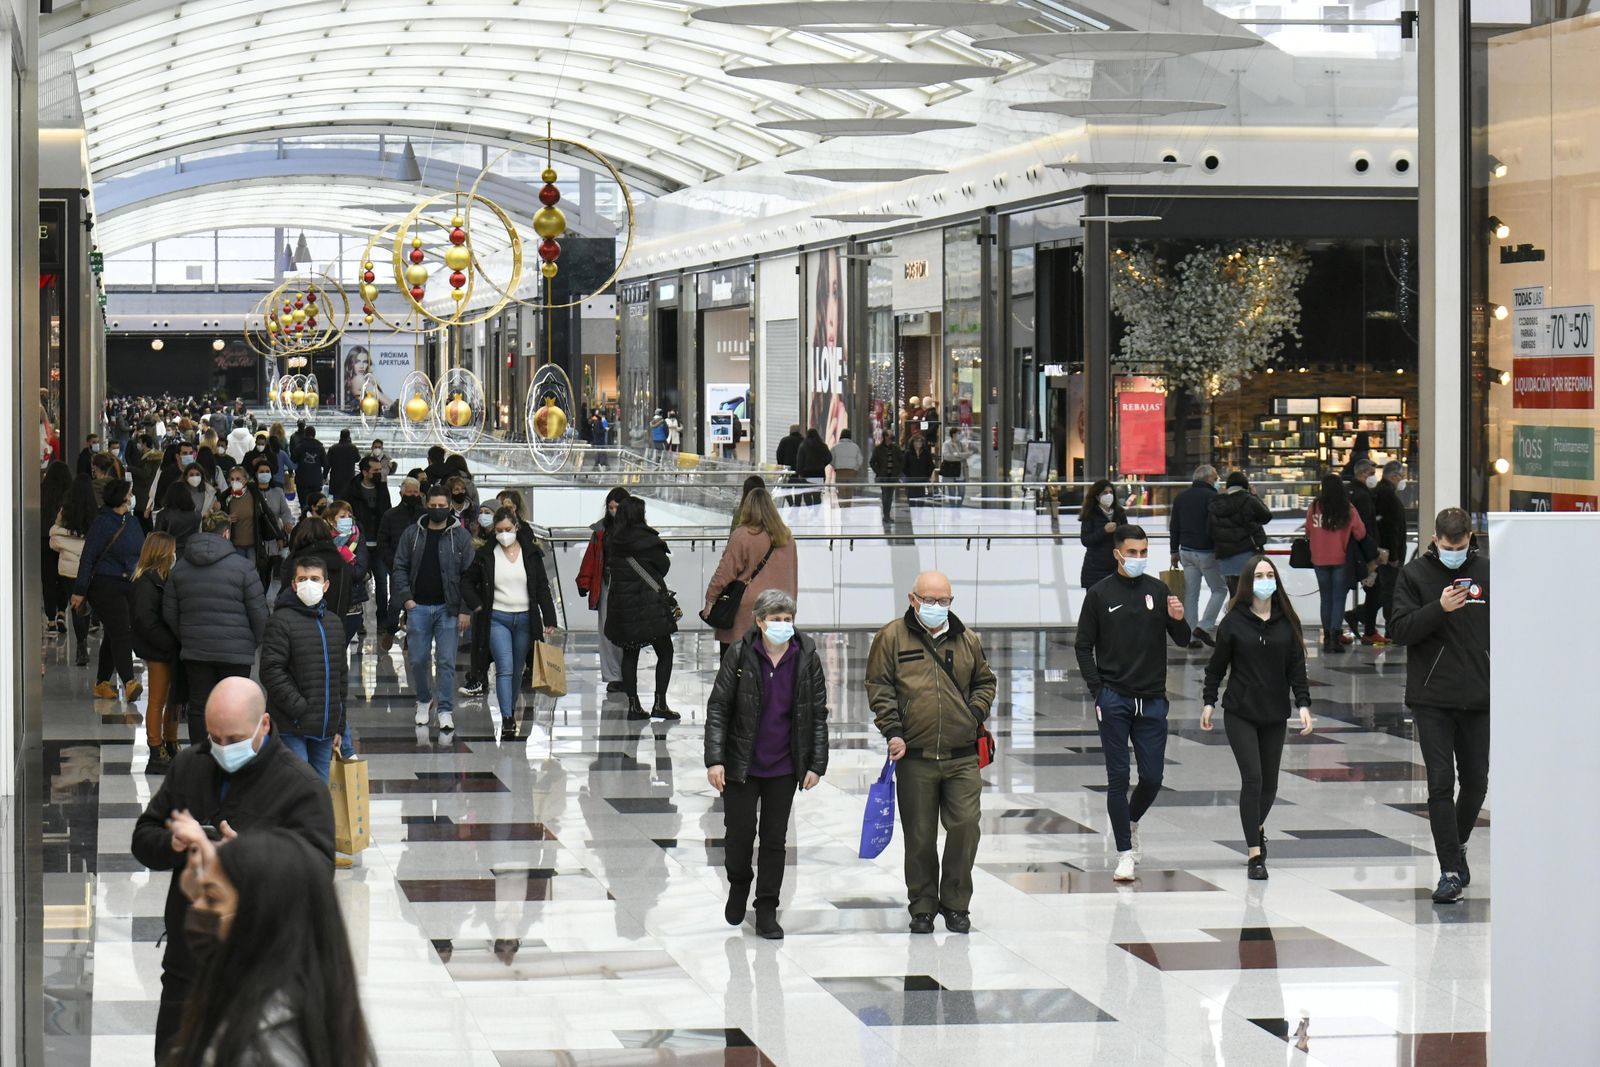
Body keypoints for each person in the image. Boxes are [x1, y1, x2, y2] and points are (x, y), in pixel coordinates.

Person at [129, 677, 335, 1062]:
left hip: (262, 971)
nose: (222, 748)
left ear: (265, 725)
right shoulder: (191, 764)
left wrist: (250, 858)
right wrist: (172, 844)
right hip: (189, 960)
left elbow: (318, 874)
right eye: (214, 737)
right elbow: (143, 837)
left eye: (233, 739)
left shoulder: (301, 787)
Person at [167, 827, 376, 1067]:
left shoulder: (264, 1047)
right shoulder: (316, 1007)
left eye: (212, 899)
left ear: (262, 916)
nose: (197, 909)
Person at [865, 570, 997, 934]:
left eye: (944, 601)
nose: (937, 607)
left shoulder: (967, 639)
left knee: (966, 827)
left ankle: (955, 903)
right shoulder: (891, 637)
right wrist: (892, 730)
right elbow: (879, 687)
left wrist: (973, 714)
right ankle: (922, 905)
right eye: (930, 600)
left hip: (961, 756)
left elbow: (986, 681)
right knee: (920, 837)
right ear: (913, 599)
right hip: (915, 756)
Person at [705, 589, 829, 939]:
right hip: (742, 763)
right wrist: (715, 760)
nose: (783, 625)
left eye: (787, 619)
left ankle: (767, 908)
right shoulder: (741, 655)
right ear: (759, 621)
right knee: (739, 835)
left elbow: (817, 713)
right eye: (775, 619)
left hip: (785, 765)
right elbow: (718, 708)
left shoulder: (806, 657)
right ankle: (739, 883)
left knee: (775, 840)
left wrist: (815, 764)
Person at [1074, 525, 1191, 882]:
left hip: (1152, 699)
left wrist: (1179, 618)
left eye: (1144, 552)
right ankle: (1124, 852)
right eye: (1133, 552)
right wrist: (1099, 690)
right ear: (1117, 554)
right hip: (1115, 699)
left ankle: (1130, 820)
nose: (1139, 558)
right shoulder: (1099, 594)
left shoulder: (1159, 590)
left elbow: (1184, 640)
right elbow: (1082, 646)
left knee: (1153, 777)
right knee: (1118, 778)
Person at [1388, 507, 1489, 905]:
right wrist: (1439, 608)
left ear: (1470, 539)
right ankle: (1449, 869)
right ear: (1434, 539)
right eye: (1448, 547)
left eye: (1460, 547)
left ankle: (1457, 843)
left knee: (1477, 782)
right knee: (1440, 783)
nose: (1454, 553)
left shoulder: (1488, 571)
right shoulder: (1414, 575)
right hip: (1431, 697)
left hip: (1480, 695)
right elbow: (1398, 630)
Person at [1201, 555, 1313, 880]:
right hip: (1240, 711)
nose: (1266, 580)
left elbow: (1296, 668)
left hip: (1274, 713)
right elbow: (1216, 667)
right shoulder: (1233, 623)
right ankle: (1254, 854)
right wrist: (1209, 702)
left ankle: (1256, 826)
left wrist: (1303, 704)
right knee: (1253, 779)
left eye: (1270, 574)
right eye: (1259, 575)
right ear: (1249, 583)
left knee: (1270, 784)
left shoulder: (1286, 622)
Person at [165, 509, 269, 744]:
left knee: (199, 705)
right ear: (226, 533)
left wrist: (187, 636)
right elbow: (259, 613)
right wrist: (253, 642)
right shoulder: (243, 568)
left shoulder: (180, 567)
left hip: (195, 650)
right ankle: (232, 754)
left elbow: (170, 611)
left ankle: (202, 758)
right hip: (236, 653)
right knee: (235, 705)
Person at [463, 508, 559, 739]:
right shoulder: (486, 554)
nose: (504, 534)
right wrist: (477, 605)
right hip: (497, 618)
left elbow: (542, 588)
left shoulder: (531, 554)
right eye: (498, 531)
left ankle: (511, 708)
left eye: (507, 530)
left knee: (517, 669)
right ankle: (507, 717)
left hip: (526, 619)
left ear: (516, 527)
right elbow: (466, 581)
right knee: (504, 667)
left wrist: (550, 618)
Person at [393, 484, 475, 731]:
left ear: (450, 506)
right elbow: (399, 566)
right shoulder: (412, 534)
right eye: (433, 506)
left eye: (442, 506)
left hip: (448, 609)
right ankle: (424, 699)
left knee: (446, 660)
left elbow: (469, 575)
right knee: (417, 659)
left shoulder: (460, 536)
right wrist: (407, 599)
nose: (437, 510)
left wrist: (464, 609)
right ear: (426, 504)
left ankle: (446, 709)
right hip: (418, 606)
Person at [261, 556, 348, 782]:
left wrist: (339, 724)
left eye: (315, 579)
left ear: (326, 585)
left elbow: (341, 676)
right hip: (292, 725)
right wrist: (299, 707)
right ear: (294, 584)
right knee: (299, 787)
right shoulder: (281, 621)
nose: (309, 583)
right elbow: (271, 670)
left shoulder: (334, 623)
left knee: (319, 791)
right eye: (303, 578)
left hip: (325, 728)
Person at [603, 496, 679, 721]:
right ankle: (660, 703)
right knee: (665, 652)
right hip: (650, 607)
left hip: (624, 607)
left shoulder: (613, 541)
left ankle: (634, 706)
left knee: (630, 653)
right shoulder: (647, 539)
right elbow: (663, 566)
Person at [72, 479, 146, 702]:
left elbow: (141, 551)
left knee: (115, 632)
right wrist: (79, 589)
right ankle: (129, 681)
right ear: (123, 497)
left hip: (128, 584)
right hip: (105, 584)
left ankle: (102, 683)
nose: (133, 496)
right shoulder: (102, 522)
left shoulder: (131, 521)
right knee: (122, 629)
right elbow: (88, 557)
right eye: (130, 493)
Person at [704, 488, 798, 656]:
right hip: (779, 610)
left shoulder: (743, 535)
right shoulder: (787, 538)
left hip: (748, 612)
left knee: (734, 666)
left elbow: (725, 572)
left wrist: (710, 598)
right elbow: (793, 577)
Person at [132, 532, 185, 772]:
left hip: (170, 648)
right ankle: (155, 747)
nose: (175, 555)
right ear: (162, 552)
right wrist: (170, 643)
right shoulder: (145, 582)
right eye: (172, 550)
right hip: (159, 650)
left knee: (174, 700)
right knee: (158, 700)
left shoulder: (165, 578)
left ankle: (171, 742)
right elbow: (145, 620)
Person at [1304, 475, 1367, 654]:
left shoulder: (1314, 507)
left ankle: (1326, 638)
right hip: (1341, 559)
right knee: (1339, 598)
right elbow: (1361, 532)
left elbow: (1308, 530)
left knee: (1326, 598)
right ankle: (1334, 637)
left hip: (1319, 559)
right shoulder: (1347, 508)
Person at [575, 487, 629, 694]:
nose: (614, 511)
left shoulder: (634, 529)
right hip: (606, 583)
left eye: (618, 507)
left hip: (627, 585)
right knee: (607, 631)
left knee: (627, 630)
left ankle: (626, 672)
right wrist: (584, 582)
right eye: (611, 507)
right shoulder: (600, 531)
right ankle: (614, 675)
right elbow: (592, 558)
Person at [1169, 464, 1225, 648]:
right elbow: (1218, 526)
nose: (1217, 481)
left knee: (1191, 594)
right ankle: (1204, 626)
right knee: (1219, 589)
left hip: (1185, 551)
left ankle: (1191, 636)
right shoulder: (1213, 497)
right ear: (1209, 479)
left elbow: (1174, 525)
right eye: (1216, 478)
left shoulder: (1181, 497)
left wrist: (1173, 551)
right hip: (1207, 552)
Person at [50, 473, 97, 666]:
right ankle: (87, 635)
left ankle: (80, 644)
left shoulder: (65, 510)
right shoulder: (95, 511)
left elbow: (54, 539)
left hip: (69, 567)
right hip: (89, 566)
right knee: (87, 604)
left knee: (76, 605)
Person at [1361, 461, 1408, 645]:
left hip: (1380, 553)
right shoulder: (1388, 496)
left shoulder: (1378, 493)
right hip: (1387, 556)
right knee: (1390, 592)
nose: (1402, 481)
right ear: (1394, 476)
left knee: (1381, 591)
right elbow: (1391, 529)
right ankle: (1391, 630)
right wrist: (1394, 556)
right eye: (1401, 477)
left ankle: (1364, 620)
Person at [1208, 471, 1273, 596]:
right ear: (1245, 485)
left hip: (1224, 557)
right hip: (1247, 554)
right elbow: (1266, 516)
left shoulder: (1217, 504)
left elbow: (1209, 530)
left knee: (1234, 595)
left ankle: (1235, 614)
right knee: (1252, 595)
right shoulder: (1249, 500)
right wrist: (1255, 496)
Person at [377, 476, 424, 648]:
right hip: (398, 567)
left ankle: (410, 637)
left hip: (420, 569)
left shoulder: (425, 515)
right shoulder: (390, 515)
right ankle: (390, 630)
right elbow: (383, 542)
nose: (412, 495)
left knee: (415, 604)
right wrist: (393, 563)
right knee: (396, 603)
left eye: (415, 492)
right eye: (409, 491)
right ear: (401, 492)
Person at [346, 454, 392, 629]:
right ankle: (359, 621)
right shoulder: (352, 490)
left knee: (382, 582)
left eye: (380, 470)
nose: (379, 473)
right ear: (365, 472)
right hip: (358, 544)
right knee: (357, 582)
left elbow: (386, 512)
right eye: (376, 471)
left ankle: (382, 620)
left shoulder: (382, 489)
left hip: (379, 544)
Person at [1344, 458, 1382, 640]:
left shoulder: (1346, 492)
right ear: (1362, 474)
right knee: (1376, 590)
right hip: (1364, 554)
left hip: (1347, 551)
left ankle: (1338, 630)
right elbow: (1366, 527)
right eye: (1371, 474)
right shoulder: (1363, 496)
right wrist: (1373, 553)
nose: (1374, 478)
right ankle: (1369, 629)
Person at [41, 461, 74, 634]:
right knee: (63, 576)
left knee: (48, 579)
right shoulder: (70, 494)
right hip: (65, 539)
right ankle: (62, 611)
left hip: (45, 538)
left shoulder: (42, 491)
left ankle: (51, 619)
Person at [1078, 478, 1127, 589]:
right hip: (1094, 569)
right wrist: (1104, 531)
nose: (1108, 495)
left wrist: (1119, 530)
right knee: (1095, 603)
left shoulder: (1120, 512)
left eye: (1110, 492)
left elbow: (1126, 535)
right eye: (1105, 493)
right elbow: (1085, 540)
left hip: (1116, 566)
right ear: (1097, 496)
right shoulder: (1090, 514)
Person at [155, 480, 203, 554]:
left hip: (167, 554)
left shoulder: (163, 515)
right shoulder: (197, 516)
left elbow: (156, 540)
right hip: (190, 554)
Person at [870, 431, 905, 524]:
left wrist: (898, 471)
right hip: (883, 477)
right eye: (889, 435)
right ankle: (886, 515)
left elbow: (902, 460)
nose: (891, 436)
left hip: (893, 476)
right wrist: (878, 472)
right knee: (885, 495)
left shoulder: (896, 448)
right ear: (885, 437)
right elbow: (872, 462)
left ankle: (887, 515)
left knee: (889, 496)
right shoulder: (878, 449)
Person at [290, 425, 327, 503]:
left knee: (304, 504)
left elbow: (292, 462)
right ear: (314, 435)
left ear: (305, 434)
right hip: (316, 481)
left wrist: (291, 473)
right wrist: (324, 477)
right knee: (316, 504)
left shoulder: (299, 447)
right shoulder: (320, 447)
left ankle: (305, 514)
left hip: (302, 481)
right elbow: (325, 464)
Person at [325, 428, 361, 500]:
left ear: (340, 436)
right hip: (349, 478)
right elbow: (358, 459)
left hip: (336, 479)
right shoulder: (353, 448)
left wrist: (324, 476)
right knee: (348, 500)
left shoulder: (333, 448)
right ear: (349, 436)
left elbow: (327, 464)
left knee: (337, 501)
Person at [830, 428, 863, 500]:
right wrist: (856, 468)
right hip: (852, 472)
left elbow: (830, 460)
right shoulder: (855, 447)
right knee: (849, 492)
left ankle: (842, 507)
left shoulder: (835, 447)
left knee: (840, 492)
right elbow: (860, 460)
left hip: (840, 471)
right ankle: (848, 506)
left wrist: (835, 466)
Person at [902, 432, 935, 501]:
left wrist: (927, 475)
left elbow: (931, 465)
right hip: (911, 480)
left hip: (922, 479)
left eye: (920, 442)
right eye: (917, 441)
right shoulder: (908, 453)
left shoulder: (926, 452)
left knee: (921, 499)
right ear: (913, 442)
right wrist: (909, 474)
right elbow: (904, 466)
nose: (919, 443)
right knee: (912, 499)